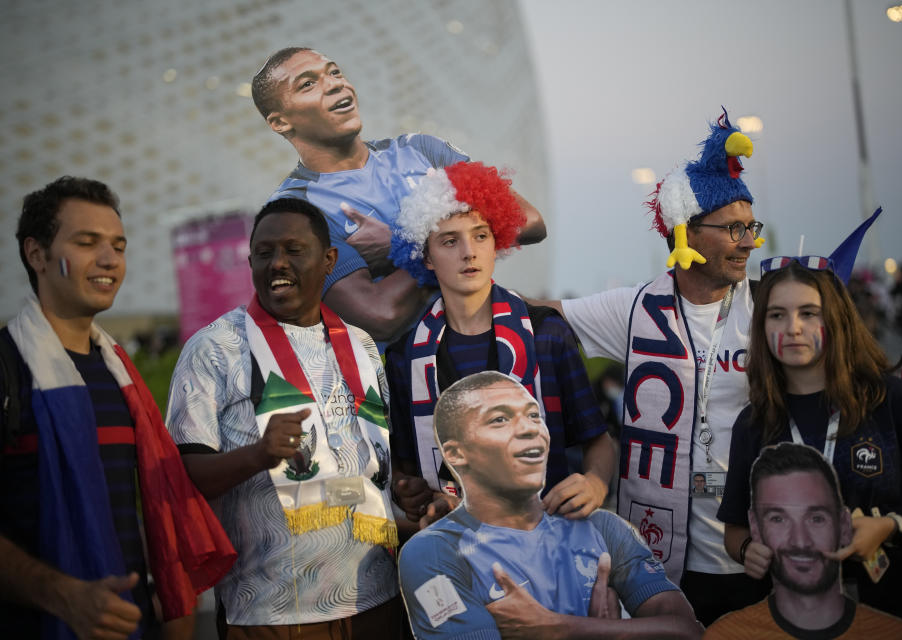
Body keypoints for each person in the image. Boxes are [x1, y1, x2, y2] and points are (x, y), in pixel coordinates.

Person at [542, 109, 767, 624]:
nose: (748, 241)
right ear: (685, 232)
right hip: (655, 560)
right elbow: (541, 316)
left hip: (752, 553)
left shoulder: (767, 307)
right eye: (732, 228)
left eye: (750, 226)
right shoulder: (636, 306)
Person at [0, 177, 235, 639]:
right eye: (87, 243)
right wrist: (61, 595)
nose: (109, 260)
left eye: (118, 246)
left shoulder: (119, 374)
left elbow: (154, 517)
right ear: (36, 254)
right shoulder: (8, 368)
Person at [166, 198, 401, 637]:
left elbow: (375, 463)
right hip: (272, 612)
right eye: (264, 252)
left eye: (294, 250)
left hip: (376, 599)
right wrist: (259, 454)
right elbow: (183, 476)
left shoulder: (362, 345)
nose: (278, 264)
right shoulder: (214, 348)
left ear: (329, 260)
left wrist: (404, 485)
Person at [717, 257, 902, 628]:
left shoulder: (893, 401)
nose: (793, 328)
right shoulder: (752, 424)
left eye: (809, 313)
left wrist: (893, 527)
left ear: (836, 319)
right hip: (792, 626)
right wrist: (748, 550)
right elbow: (735, 531)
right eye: (777, 315)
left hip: (897, 621)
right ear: (761, 326)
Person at [252, 47, 546, 341]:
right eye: (307, 84)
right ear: (280, 122)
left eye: (334, 71)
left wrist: (402, 247)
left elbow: (528, 222)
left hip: (498, 341)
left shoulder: (420, 150)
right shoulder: (293, 211)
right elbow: (381, 314)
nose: (334, 83)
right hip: (412, 375)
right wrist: (453, 242)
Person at [384, 162, 615, 525]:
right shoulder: (404, 356)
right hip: (457, 545)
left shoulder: (547, 335)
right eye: (449, 240)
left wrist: (595, 484)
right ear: (426, 256)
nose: (469, 252)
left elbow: (598, 441)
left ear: (498, 241)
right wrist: (408, 488)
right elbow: (406, 468)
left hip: (550, 533)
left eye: (480, 235)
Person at [398, 371, 702, 639]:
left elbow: (689, 630)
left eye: (533, 415)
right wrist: (615, 631)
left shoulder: (602, 528)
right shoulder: (435, 553)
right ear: (456, 453)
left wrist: (564, 628)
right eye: (500, 419)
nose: (530, 429)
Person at [706, 442, 902, 639]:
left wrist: (893, 526)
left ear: (845, 525)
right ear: (755, 526)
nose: (800, 541)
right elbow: (734, 531)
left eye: (816, 518)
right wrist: (745, 547)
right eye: (778, 518)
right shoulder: (726, 634)